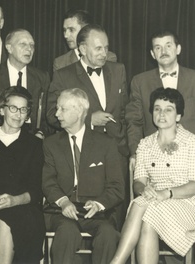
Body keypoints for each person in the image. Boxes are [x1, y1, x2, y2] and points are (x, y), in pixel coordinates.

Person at [125, 30, 195, 263]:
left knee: (191, 229)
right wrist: (136, 153)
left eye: (168, 45)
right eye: (157, 47)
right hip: (155, 171)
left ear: (178, 49)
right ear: (151, 53)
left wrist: (193, 160)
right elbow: (134, 122)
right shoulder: (140, 80)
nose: (163, 51)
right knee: (150, 214)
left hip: (191, 171)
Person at [111, 88, 195, 264]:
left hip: (187, 203)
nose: (161, 114)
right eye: (157, 109)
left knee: (146, 210)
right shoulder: (145, 144)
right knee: (142, 207)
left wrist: (166, 193)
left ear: (178, 116)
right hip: (153, 201)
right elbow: (138, 182)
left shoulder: (191, 141)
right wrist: (144, 190)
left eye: (168, 109)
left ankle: (116, 262)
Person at [47, 24, 129, 228]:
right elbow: (51, 114)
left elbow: (125, 110)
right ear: (82, 49)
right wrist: (89, 119)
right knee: (81, 222)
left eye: (106, 48)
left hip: (116, 151)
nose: (104, 53)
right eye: (98, 48)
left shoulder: (119, 70)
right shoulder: (63, 75)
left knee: (113, 222)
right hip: (82, 153)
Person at [42, 88, 124, 264]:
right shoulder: (51, 144)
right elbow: (48, 181)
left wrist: (99, 203)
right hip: (61, 211)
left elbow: (117, 186)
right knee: (67, 232)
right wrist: (63, 201)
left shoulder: (106, 144)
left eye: (62, 109)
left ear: (79, 112)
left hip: (96, 213)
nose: (56, 114)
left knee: (108, 234)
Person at [0, 86, 45, 264]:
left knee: (7, 220)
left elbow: (36, 189)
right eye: (13, 108)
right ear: (2, 109)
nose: (18, 114)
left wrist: (14, 200)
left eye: (23, 110)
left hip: (22, 205)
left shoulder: (34, 145)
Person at [0, 28, 51, 139]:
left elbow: (48, 116)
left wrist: (41, 134)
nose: (29, 49)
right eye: (23, 44)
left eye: (32, 45)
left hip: (32, 141)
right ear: (9, 48)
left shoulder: (42, 77)